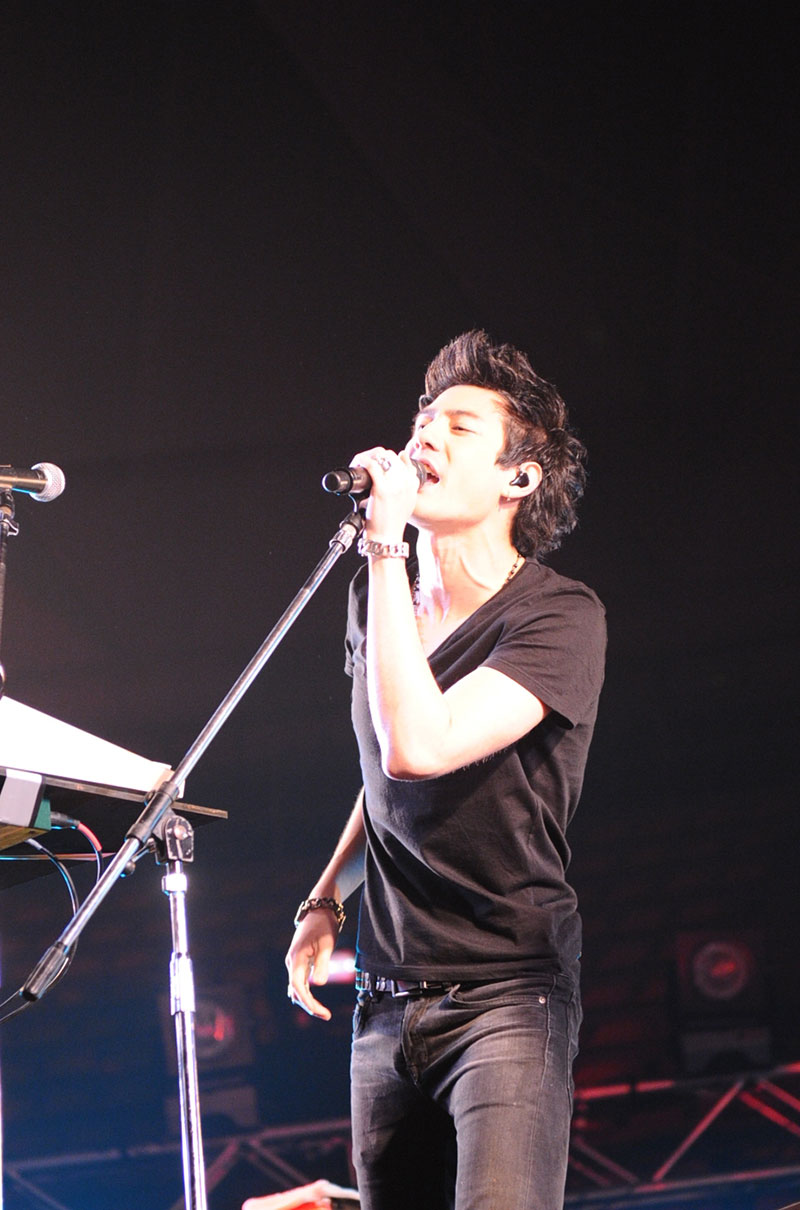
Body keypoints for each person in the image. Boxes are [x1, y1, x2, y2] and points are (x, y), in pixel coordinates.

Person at [285, 330, 606, 1210]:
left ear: (518, 479)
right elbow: (385, 777)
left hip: (506, 994)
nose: (425, 432)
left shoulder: (558, 618)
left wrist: (386, 546)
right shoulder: (374, 598)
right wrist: (326, 898)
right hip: (384, 999)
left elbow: (420, 747)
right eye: (424, 417)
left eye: (460, 427)